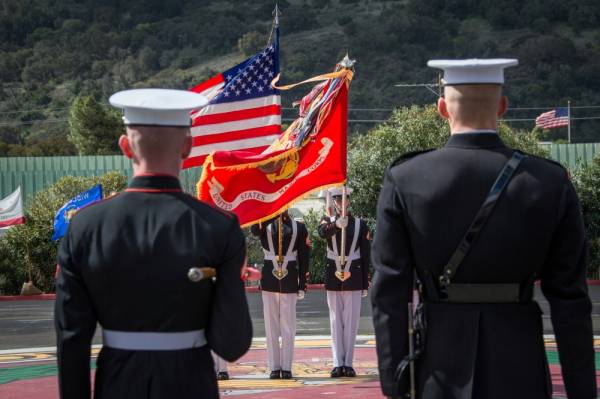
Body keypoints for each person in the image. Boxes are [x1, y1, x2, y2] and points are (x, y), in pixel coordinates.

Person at [371, 59, 596, 399]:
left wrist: (394, 382)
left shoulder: (406, 178)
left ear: (442, 108)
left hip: (439, 366)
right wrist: (582, 390)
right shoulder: (548, 182)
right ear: (503, 107)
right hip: (520, 364)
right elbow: (570, 299)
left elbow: (389, 292)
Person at [54, 88, 253, 399]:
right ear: (188, 146)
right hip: (191, 384)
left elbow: (71, 339)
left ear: (125, 147)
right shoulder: (219, 227)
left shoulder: (85, 226)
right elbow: (232, 343)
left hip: (118, 384)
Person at [318, 187, 370, 378]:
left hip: (354, 274)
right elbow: (322, 233)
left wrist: (365, 282)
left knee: (351, 321)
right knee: (335, 320)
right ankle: (337, 363)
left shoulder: (360, 224)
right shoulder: (328, 221)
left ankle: (348, 363)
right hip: (333, 274)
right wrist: (336, 225)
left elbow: (365, 254)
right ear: (334, 203)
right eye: (338, 200)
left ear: (349, 201)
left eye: (344, 200)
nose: (340, 203)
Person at [250, 210, 309, 379]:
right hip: (269, 278)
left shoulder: (299, 227)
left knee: (288, 326)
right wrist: (266, 212)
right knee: (271, 326)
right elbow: (255, 230)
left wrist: (302, 284)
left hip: (290, 279)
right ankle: (274, 367)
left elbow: (304, 258)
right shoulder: (264, 223)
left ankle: (287, 366)